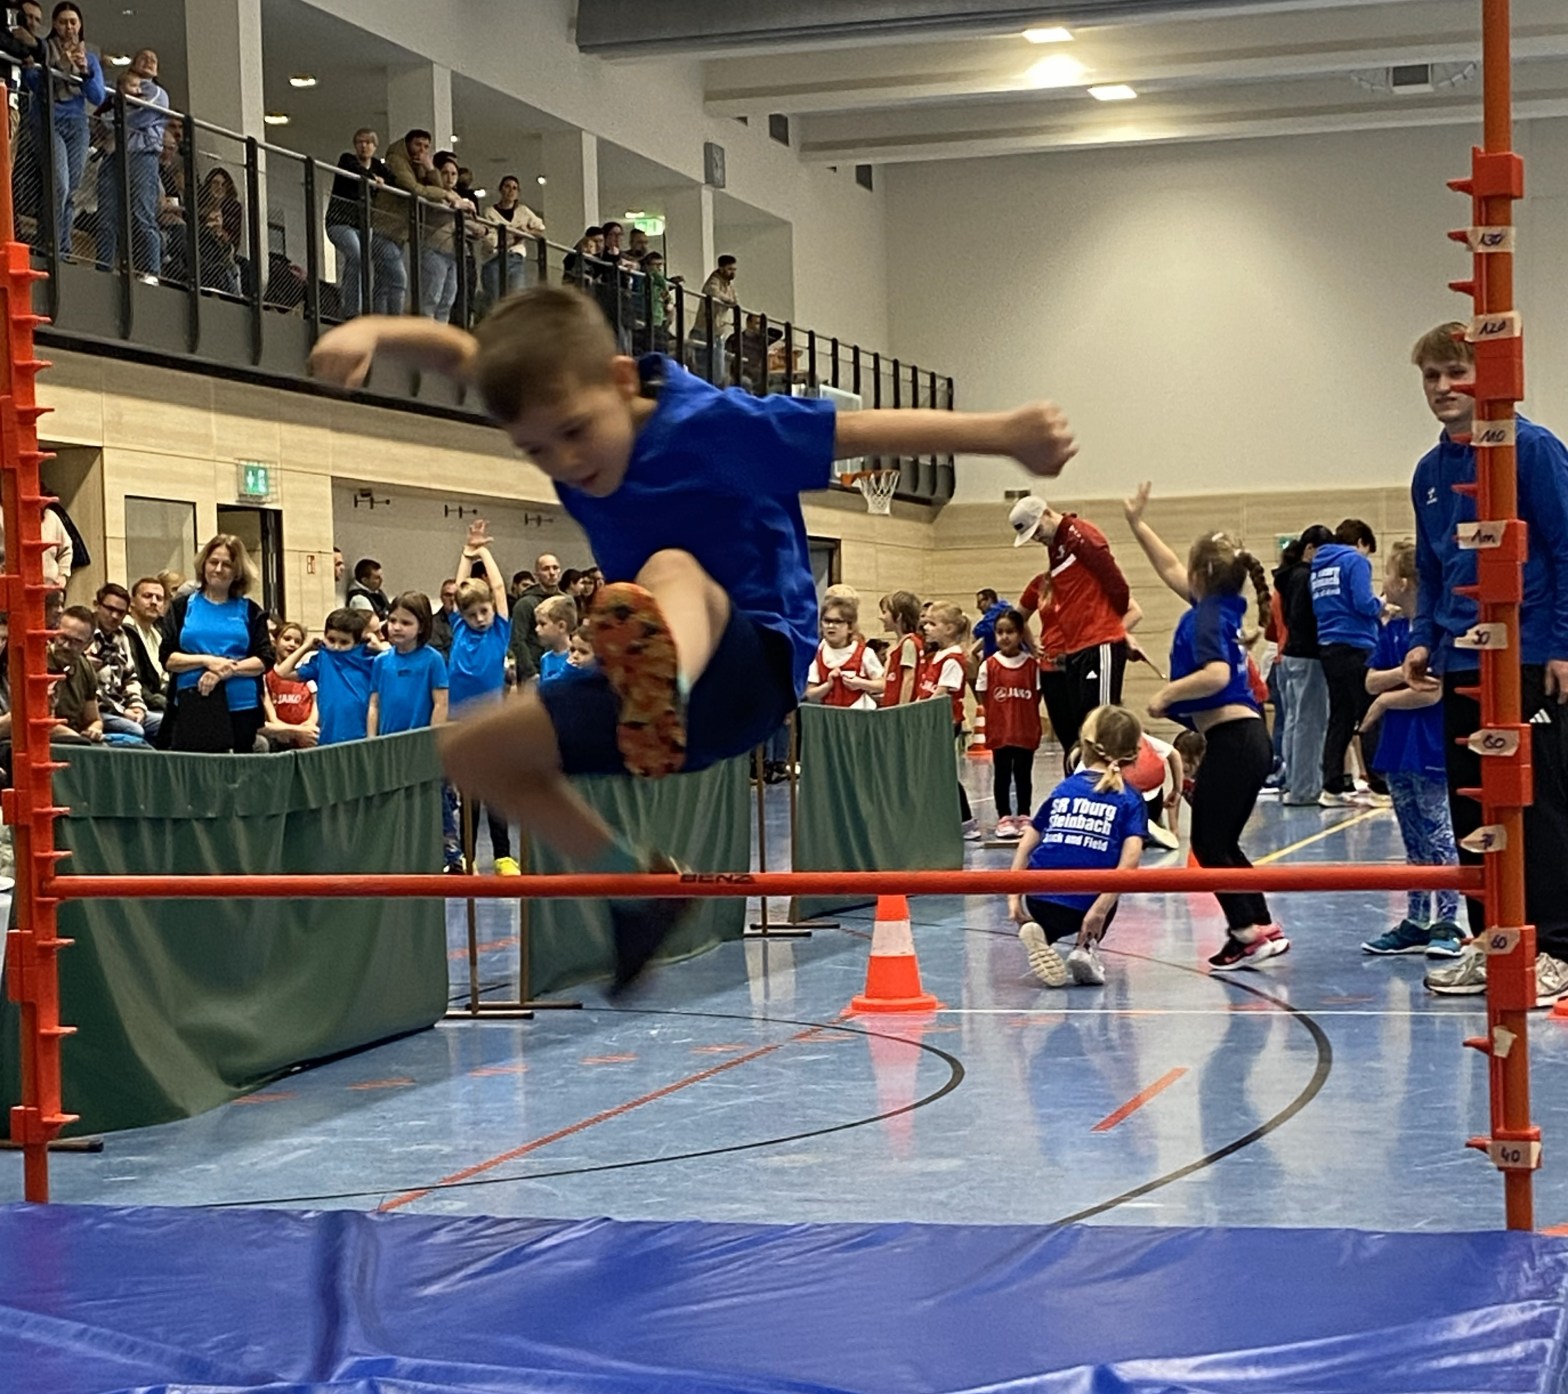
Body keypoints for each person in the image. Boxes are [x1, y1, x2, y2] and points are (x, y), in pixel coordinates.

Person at [308, 285, 1075, 990]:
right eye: (537, 450)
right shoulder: (551, 395)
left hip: (752, 667)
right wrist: (371, 330)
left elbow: (858, 431)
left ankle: (660, 687)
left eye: (574, 433)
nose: (565, 462)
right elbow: (461, 354)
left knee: (669, 568)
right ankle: (637, 888)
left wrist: (1007, 434)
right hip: (656, 696)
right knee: (473, 752)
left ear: (620, 381)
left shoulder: (712, 426)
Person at [1403, 323, 1568, 1005]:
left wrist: (1562, 645)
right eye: (1431, 376)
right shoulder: (1428, 472)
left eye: (1456, 373)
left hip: (1527, 657)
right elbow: (1432, 567)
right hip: (1459, 662)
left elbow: (1565, 548)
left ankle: (1556, 948)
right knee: (1472, 806)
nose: (1443, 388)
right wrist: (1422, 638)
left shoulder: (1534, 450)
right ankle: (1490, 943)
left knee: (1539, 806)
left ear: (1486, 375)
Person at [1122, 482, 1288, 969]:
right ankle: (1260, 926)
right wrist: (1137, 524)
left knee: (1210, 843)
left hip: (1235, 741)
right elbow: (1171, 567)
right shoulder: (1220, 607)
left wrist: (1166, 695)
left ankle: (1246, 933)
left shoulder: (1208, 619)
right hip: (1247, 740)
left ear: (1201, 578)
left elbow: (1215, 674)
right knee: (1223, 841)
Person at [1358, 541, 1462, 958]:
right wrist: (1399, 678)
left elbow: (1432, 691)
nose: (1382, 582)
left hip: (1429, 747)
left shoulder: (1436, 632)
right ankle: (1417, 920)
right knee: (1413, 838)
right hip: (1398, 748)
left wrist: (1386, 701)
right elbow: (1370, 681)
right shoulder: (1392, 630)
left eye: (1386, 573)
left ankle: (1448, 920)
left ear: (1403, 582)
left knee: (1440, 833)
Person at [1007, 704, 1146, 989]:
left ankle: (1043, 933)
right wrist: (1100, 910)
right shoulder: (1130, 799)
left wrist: (1014, 894)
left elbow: (1029, 839)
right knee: (1111, 881)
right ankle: (1086, 947)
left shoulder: (1065, 788)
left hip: (1039, 896)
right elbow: (1130, 862)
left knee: (1051, 901)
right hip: (1085, 903)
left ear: (1085, 745)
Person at [1012, 494, 1140, 767]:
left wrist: (1114, 627)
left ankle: (1108, 785)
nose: (1038, 538)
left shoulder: (1079, 535)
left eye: (1038, 530)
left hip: (1099, 642)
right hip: (1077, 648)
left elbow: (1115, 582)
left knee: (1102, 724)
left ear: (1047, 513)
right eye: (1032, 536)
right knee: (1083, 727)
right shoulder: (1056, 545)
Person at [445, 520, 518, 876]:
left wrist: (483, 552)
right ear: (462, 616)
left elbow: (499, 588)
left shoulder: (499, 630)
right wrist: (465, 553)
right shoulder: (459, 627)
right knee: (468, 797)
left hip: (492, 723)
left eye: (484, 611)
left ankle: (503, 856)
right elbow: (459, 588)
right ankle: (468, 856)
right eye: (472, 614)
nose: (479, 618)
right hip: (460, 721)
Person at [160, 534, 274, 753]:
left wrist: (225, 671)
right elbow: (168, 658)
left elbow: (264, 659)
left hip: (241, 705)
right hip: (192, 703)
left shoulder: (251, 610)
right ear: (204, 565)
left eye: (227, 565)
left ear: (237, 571)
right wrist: (207, 661)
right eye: (213, 562)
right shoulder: (181, 607)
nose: (218, 569)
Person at [1311, 518, 1385, 807]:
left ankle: (1332, 786)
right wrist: (1382, 605)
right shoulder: (1355, 561)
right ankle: (1379, 783)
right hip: (1356, 643)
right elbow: (1364, 602)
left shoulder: (1320, 566)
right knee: (1370, 712)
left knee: (1340, 715)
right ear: (1362, 543)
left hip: (1328, 645)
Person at [24, 2, 103, 256]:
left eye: (73, 22)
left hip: (77, 124)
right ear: (54, 25)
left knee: (72, 188)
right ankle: (49, 244)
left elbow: (97, 96)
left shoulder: (89, 57)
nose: (68, 27)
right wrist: (60, 67)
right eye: (62, 22)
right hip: (48, 120)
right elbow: (33, 83)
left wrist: (85, 71)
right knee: (59, 184)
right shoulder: (44, 49)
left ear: (80, 25)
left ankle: (63, 248)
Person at [95, 50, 167, 278]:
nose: (149, 61)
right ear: (133, 63)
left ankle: (151, 270)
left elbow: (141, 117)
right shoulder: (118, 87)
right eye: (144, 58)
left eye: (154, 60)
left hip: (141, 155)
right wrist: (100, 67)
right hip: (114, 155)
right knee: (107, 213)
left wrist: (110, 119)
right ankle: (103, 267)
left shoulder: (157, 93)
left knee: (142, 212)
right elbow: (98, 96)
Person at [1276, 524, 1334, 806]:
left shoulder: (1289, 576)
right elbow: (1303, 618)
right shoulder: (1304, 577)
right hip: (1307, 655)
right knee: (1309, 724)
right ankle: (1305, 788)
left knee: (1295, 722)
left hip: (1291, 655)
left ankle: (1294, 782)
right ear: (1310, 549)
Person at [324, 127, 405, 318]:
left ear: (375, 146)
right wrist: (372, 179)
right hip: (340, 221)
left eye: (368, 142)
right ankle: (351, 310)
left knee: (361, 262)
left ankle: (360, 307)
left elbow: (394, 180)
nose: (364, 146)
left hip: (363, 224)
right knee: (356, 256)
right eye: (360, 142)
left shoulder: (377, 165)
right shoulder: (347, 159)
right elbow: (356, 170)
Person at [976, 607, 1040, 839]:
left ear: (1021, 634)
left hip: (1025, 731)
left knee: (1023, 774)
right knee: (1002, 775)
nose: (1004, 637)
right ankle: (1004, 816)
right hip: (1000, 731)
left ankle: (1024, 814)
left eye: (1010, 632)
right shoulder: (989, 665)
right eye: (1000, 632)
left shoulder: (1032, 666)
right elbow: (983, 695)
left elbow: (1037, 695)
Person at [917, 602, 977, 840]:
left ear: (950, 628)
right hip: (931, 723)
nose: (926, 627)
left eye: (932, 624)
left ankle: (966, 821)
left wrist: (916, 710)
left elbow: (939, 694)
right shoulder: (937, 656)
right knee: (934, 773)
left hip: (945, 723)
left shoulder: (952, 659)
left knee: (944, 773)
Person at [276, 609, 377, 746]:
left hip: (362, 735)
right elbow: (282, 672)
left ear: (356, 642)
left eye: (344, 642)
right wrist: (306, 647)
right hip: (329, 736)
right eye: (331, 640)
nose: (336, 647)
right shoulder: (323, 659)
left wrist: (380, 648)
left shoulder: (369, 659)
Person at [368, 591, 449, 736]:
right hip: (387, 741)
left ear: (421, 627)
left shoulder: (433, 660)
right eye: (392, 621)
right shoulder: (381, 661)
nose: (397, 627)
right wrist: (371, 739)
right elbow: (374, 705)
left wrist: (433, 740)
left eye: (406, 623)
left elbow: (441, 704)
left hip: (419, 741)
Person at [87, 581, 157, 742]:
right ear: (97, 605)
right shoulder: (86, 634)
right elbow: (91, 691)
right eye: (110, 609)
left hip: (124, 708)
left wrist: (137, 706)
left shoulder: (121, 635)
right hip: (98, 710)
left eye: (120, 612)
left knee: (168, 724)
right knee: (135, 730)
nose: (114, 616)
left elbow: (130, 678)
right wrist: (122, 712)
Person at [805, 593, 882, 709]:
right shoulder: (817, 654)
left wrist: (861, 683)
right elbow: (810, 693)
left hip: (859, 714)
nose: (831, 626)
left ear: (850, 627)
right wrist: (828, 685)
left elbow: (883, 685)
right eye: (826, 621)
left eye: (837, 621)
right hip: (830, 715)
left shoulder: (865, 653)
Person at [479, 174, 545, 306]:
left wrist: (526, 232)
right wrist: (515, 235)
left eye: (514, 188)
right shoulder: (490, 212)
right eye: (507, 187)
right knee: (495, 301)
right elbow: (491, 240)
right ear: (501, 189)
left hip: (516, 259)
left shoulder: (523, 211)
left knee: (516, 301)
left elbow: (540, 229)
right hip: (494, 259)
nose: (511, 191)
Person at [48, 605, 104, 742]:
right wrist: (77, 737)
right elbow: (42, 723)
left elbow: (94, 719)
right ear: (55, 630)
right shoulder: (37, 661)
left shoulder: (85, 667)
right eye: (63, 637)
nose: (66, 646)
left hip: (76, 739)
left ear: (88, 644)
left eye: (76, 642)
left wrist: (94, 729)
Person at [261, 620, 318, 749]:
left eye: (297, 642)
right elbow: (272, 716)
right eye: (287, 639)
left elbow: (317, 701)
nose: (292, 644)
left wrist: (310, 723)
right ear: (276, 641)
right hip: (281, 734)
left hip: (307, 732)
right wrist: (293, 731)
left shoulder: (304, 671)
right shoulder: (267, 674)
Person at [124, 574, 167, 708]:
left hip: (158, 696)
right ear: (132, 601)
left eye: (159, 598)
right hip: (136, 702)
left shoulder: (159, 633)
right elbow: (136, 680)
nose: (154, 602)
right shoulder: (125, 631)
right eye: (147, 596)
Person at [878, 590, 922, 708]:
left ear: (898, 616)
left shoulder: (908, 644)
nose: (880, 617)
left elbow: (909, 679)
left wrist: (902, 710)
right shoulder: (899, 645)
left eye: (884, 612)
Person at [533, 593, 577, 685]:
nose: (537, 629)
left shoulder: (576, 658)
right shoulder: (545, 659)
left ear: (561, 626)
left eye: (542, 624)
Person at [971, 588, 1013, 661]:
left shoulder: (998, 612)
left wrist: (975, 632)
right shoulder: (1004, 610)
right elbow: (987, 638)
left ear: (989, 600)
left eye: (979, 602)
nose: (978, 607)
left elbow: (985, 630)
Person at [345, 557, 390, 625]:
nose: (381, 580)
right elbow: (370, 625)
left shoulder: (376, 591)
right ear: (365, 580)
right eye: (377, 578)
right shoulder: (359, 599)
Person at [430, 577, 459, 658]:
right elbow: (437, 655)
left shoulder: (470, 621)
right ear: (441, 598)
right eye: (448, 595)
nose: (453, 599)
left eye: (457, 595)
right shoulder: (433, 624)